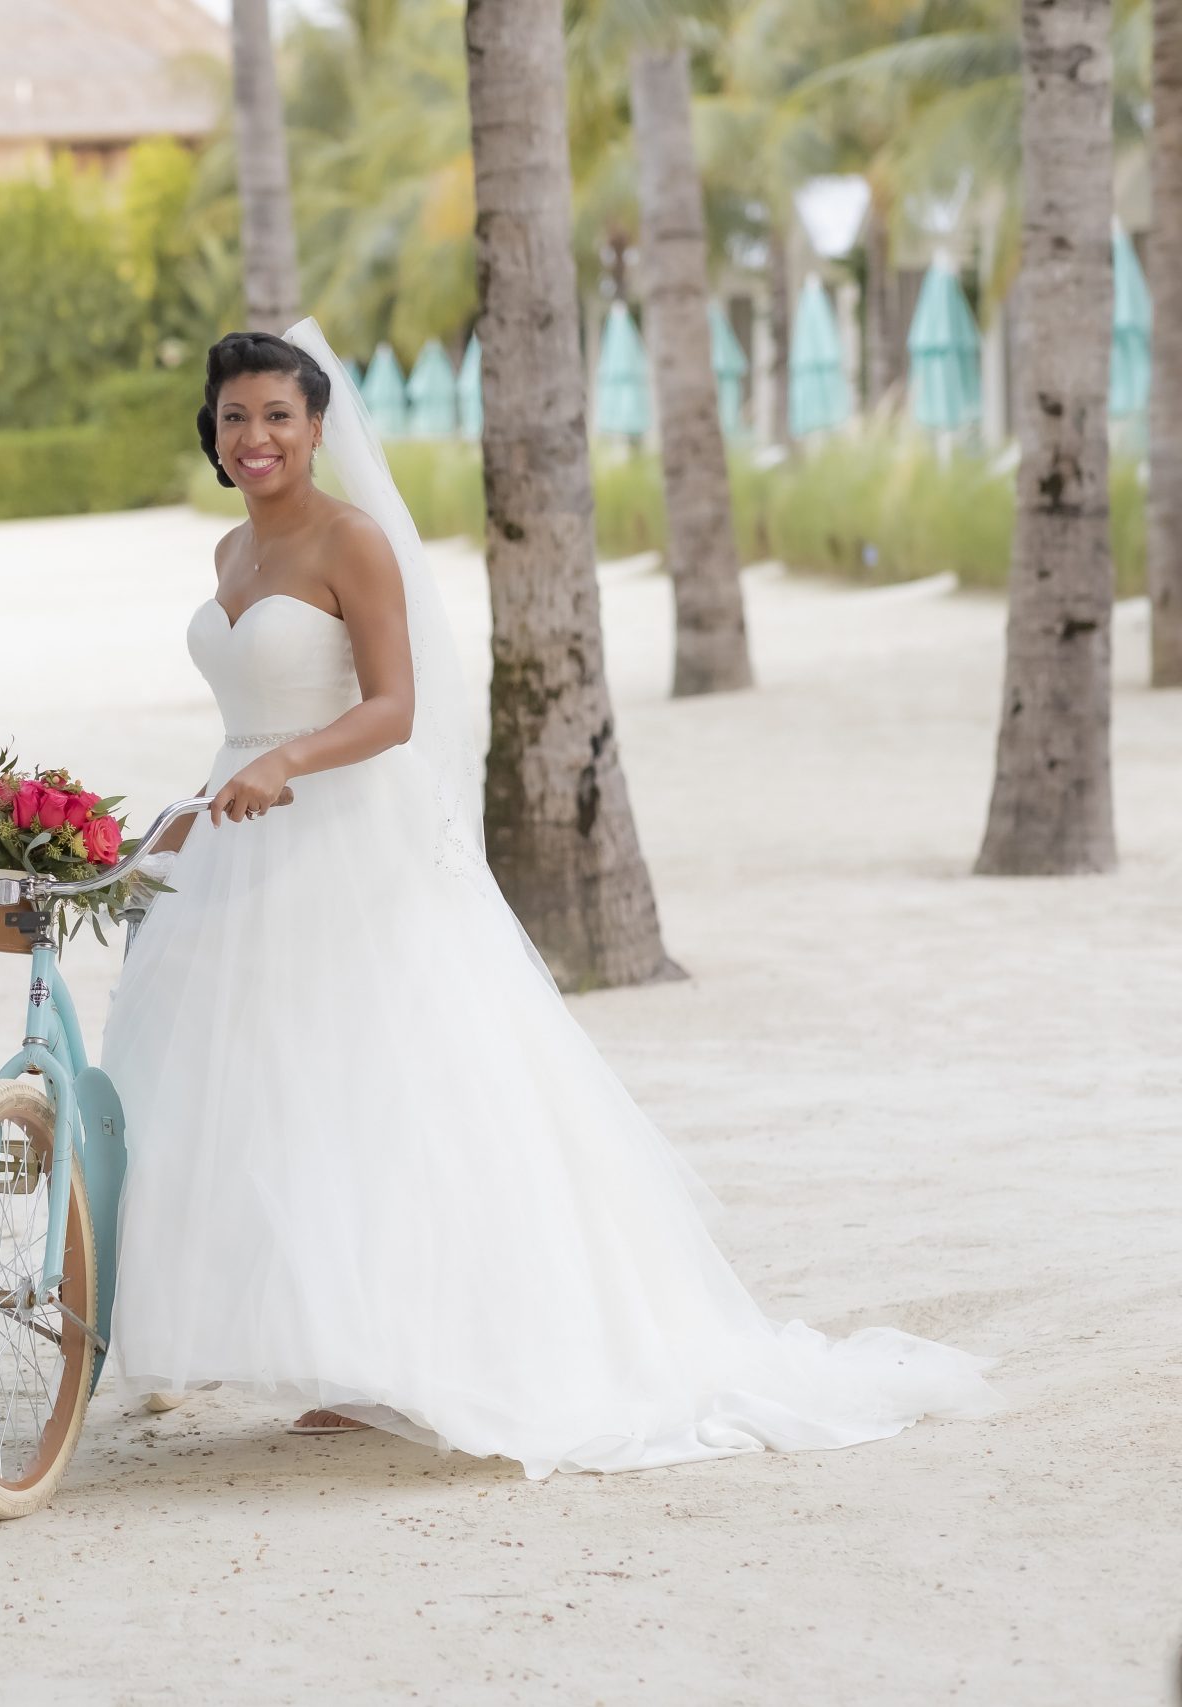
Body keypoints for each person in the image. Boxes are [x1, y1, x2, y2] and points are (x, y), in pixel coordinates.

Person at [98, 321, 999, 1477]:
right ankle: (334, 1350)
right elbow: (244, 719)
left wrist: (287, 762)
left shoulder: (351, 541)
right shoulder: (228, 555)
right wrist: (189, 810)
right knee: (268, 1090)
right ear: (213, 437)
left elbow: (393, 709)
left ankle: (433, 1347)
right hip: (240, 833)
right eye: (235, 417)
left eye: (279, 414)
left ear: (317, 428)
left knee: (384, 1084)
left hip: (339, 836)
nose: (256, 435)